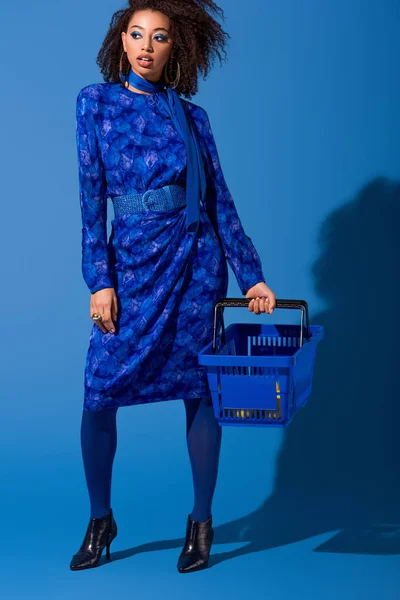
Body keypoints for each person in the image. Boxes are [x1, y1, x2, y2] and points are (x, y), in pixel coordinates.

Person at [70, 0, 277, 574]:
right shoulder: (96, 104)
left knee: (201, 390)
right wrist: (100, 280)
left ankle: (202, 520)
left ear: (174, 49)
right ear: (121, 42)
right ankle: (100, 519)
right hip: (130, 270)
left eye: (159, 38)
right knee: (98, 391)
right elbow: (91, 204)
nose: (145, 46)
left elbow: (220, 202)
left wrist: (251, 274)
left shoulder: (192, 118)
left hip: (193, 266)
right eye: (136, 34)